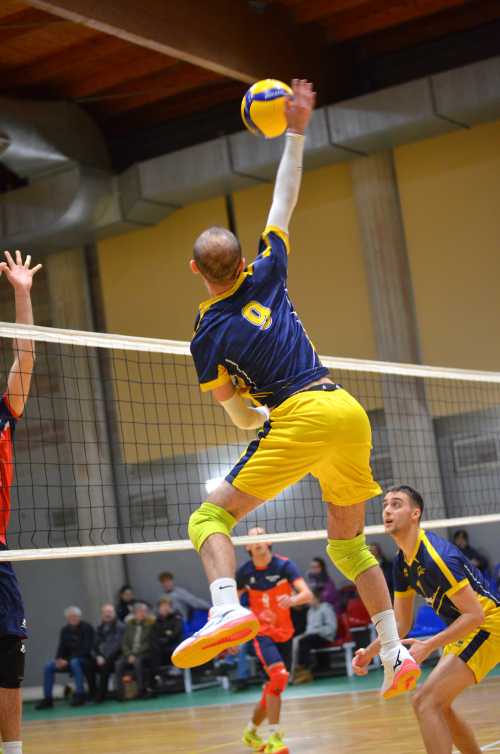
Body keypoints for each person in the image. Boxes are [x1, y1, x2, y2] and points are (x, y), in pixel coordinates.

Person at [172, 79, 418, 700]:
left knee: (208, 515)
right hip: (347, 409)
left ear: (196, 270)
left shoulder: (207, 334)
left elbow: (238, 419)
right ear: (241, 261)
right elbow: (284, 197)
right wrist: (298, 129)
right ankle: (394, 651)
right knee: (347, 544)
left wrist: (258, 415)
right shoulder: (268, 271)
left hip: (299, 415)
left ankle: (225, 606)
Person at [353, 485, 500, 754]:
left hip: (488, 625)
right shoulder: (402, 562)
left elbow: (475, 615)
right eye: (385, 505)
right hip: (465, 627)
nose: (387, 510)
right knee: (438, 705)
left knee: (425, 702)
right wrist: (369, 653)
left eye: (396, 504)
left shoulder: (436, 557)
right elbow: (401, 624)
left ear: (415, 514)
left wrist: (428, 645)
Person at [0, 250, 42, 754]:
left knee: (10, 655)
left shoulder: (4, 413)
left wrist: (22, 293)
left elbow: (25, 356)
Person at [237, 527, 312, 754]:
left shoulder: (284, 566)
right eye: (253, 538)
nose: (258, 540)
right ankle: (275, 737)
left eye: (262, 535)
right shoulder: (244, 573)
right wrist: (232, 637)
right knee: (278, 676)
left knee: (274, 687)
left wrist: (292, 600)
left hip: (284, 632)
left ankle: (250, 732)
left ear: (269, 541)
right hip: (261, 633)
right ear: (247, 546)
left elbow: (307, 594)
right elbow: (232, 605)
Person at [36, 606, 95, 709]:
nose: (73, 618)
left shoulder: (87, 628)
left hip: (85, 660)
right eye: (70, 617)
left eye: (75, 616)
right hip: (68, 661)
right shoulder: (65, 630)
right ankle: (48, 699)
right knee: (48, 666)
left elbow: (86, 649)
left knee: (74, 662)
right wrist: (59, 659)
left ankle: (80, 695)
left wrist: (67, 660)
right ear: (67, 618)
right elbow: (61, 647)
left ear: (79, 616)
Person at [293, 587, 338, 684]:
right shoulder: (310, 611)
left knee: (305, 641)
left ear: (317, 598)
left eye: (310, 599)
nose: (308, 601)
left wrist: (314, 632)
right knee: (297, 640)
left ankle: (304, 668)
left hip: (325, 636)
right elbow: (309, 628)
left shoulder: (326, 608)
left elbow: (331, 628)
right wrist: (306, 634)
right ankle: (297, 669)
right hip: (312, 636)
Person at [115, 603, 154, 699]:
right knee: (118, 664)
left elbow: (149, 643)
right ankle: (121, 692)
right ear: (135, 613)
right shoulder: (129, 626)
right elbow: (124, 643)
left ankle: (141, 690)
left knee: (138, 662)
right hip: (129, 654)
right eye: (140, 612)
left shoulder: (150, 625)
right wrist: (129, 654)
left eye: (144, 611)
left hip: (143, 653)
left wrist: (135, 654)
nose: (143, 614)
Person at [91, 604, 125, 702]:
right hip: (102, 657)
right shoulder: (99, 628)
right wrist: (98, 656)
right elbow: (94, 645)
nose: (107, 614)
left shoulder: (120, 627)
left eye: (110, 612)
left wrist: (105, 657)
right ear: (102, 614)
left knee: (105, 665)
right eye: (105, 612)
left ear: (114, 613)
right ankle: (92, 693)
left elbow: (118, 645)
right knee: (88, 665)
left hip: (116, 655)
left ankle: (101, 694)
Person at [150, 597, 183, 684]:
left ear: (170, 607)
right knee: (153, 650)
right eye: (162, 606)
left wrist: (166, 638)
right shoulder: (157, 621)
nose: (164, 608)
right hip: (160, 647)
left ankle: (175, 675)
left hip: (174, 644)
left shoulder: (176, 618)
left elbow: (176, 633)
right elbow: (154, 635)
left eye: (167, 606)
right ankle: (157, 676)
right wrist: (161, 639)